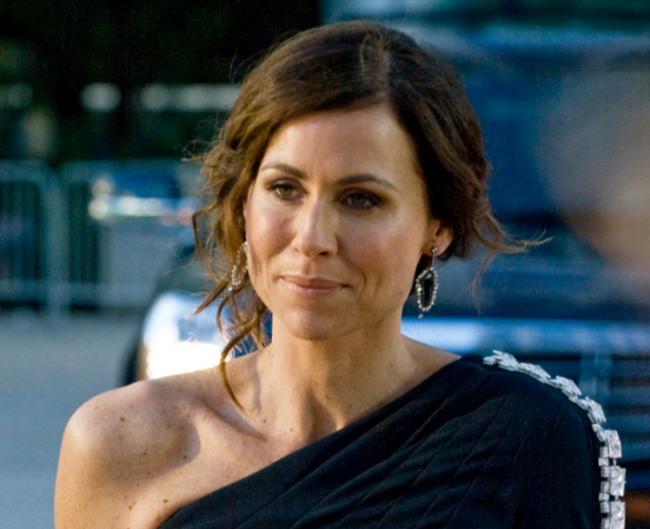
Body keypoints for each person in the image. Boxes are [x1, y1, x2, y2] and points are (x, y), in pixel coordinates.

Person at [54, 21, 625, 529]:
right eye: (285, 188)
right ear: (244, 202)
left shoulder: (528, 438)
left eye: (361, 199)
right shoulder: (122, 443)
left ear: (438, 226)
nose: (312, 238)